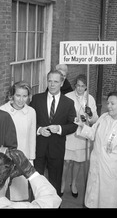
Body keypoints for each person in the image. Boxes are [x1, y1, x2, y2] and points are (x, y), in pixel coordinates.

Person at [74, 91, 117, 208]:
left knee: (108, 203)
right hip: (96, 169)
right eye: (108, 102)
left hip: (113, 177)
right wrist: (82, 126)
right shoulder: (104, 118)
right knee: (93, 202)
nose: (108, 106)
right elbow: (93, 133)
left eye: (112, 104)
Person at [30, 69, 77, 197]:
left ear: (62, 83)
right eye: (50, 81)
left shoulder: (68, 103)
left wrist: (60, 128)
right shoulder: (36, 99)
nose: (52, 84)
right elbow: (30, 121)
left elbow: (73, 125)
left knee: (55, 180)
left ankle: (54, 204)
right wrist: (39, 130)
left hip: (57, 147)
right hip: (38, 147)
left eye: (56, 81)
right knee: (36, 179)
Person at [61, 74, 98, 197]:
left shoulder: (90, 99)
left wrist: (90, 114)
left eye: (82, 86)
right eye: (78, 85)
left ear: (86, 86)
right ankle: (62, 184)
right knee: (66, 161)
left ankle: (74, 183)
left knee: (78, 161)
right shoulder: (67, 96)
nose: (80, 89)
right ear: (75, 85)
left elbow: (95, 120)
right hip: (70, 134)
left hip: (82, 134)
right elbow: (62, 115)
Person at [0, 81, 36, 201]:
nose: (21, 100)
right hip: (6, 157)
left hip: (23, 157)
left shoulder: (31, 112)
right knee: (4, 193)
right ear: (11, 96)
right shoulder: (1, 111)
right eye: (18, 95)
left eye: (25, 96)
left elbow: (32, 136)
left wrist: (31, 159)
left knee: (21, 194)